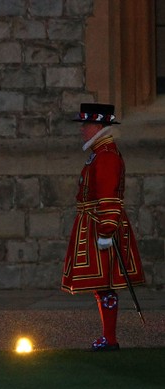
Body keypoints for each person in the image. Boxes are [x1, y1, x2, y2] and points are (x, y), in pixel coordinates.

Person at [61, 103, 145, 351]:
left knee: (105, 284)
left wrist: (107, 230)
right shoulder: (100, 152)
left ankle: (109, 338)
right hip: (94, 223)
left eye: (86, 125)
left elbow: (108, 195)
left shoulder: (106, 155)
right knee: (102, 286)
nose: (82, 130)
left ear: (98, 126)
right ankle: (108, 337)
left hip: (100, 225)